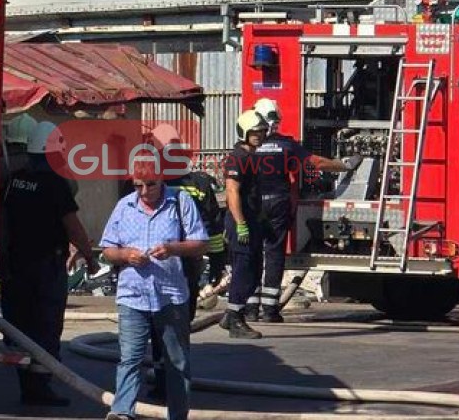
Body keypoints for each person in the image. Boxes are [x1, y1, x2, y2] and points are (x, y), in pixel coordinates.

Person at [101, 161, 209, 420]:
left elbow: (201, 242)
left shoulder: (179, 202)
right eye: (138, 185)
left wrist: (173, 248)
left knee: (176, 361)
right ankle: (123, 415)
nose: (144, 191)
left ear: (161, 180)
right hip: (133, 295)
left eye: (150, 185)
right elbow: (108, 248)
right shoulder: (125, 206)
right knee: (131, 358)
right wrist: (125, 255)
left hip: (170, 295)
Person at [0, 121, 97, 407]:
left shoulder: (14, 180)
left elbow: (2, 220)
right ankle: (39, 387)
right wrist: (89, 256)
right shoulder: (56, 184)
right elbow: (73, 227)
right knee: (45, 327)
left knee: (20, 325)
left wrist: (1, 255)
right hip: (45, 266)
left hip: (15, 265)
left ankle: (26, 383)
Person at [247, 98, 361, 324]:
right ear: (275, 121)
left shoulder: (247, 147)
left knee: (252, 255)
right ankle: (270, 311)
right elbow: (316, 163)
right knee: (274, 255)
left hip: (253, 206)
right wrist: (345, 165)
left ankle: (250, 309)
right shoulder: (286, 146)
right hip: (278, 205)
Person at [142, 124, 226, 403]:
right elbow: (213, 225)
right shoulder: (199, 183)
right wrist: (216, 261)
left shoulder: (151, 184)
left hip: (162, 266)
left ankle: (166, 381)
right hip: (185, 264)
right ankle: (173, 381)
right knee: (177, 325)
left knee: (160, 326)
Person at [218, 110, 270, 340]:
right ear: (244, 133)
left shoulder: (253, 157)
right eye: (255, 132)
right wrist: (240, 223)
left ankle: (232, 315)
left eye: (261, 131)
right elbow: (232, 191)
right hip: (242, 223)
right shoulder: (237, 157)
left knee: (254, 271)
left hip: (253, 222)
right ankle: (235, 318)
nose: (259, 135)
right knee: (244, 271)